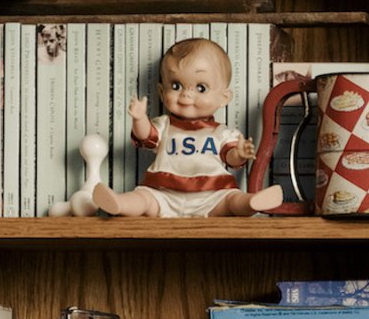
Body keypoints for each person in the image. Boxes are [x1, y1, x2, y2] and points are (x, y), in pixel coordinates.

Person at [94, 37, 282, 217]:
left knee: (232, 200)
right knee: (143, 198)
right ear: (161, 91)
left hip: (212, 193)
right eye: (176, 86)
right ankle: (119, 204)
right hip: (163, 191)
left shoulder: (222, 132)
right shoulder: (164, 125)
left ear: (224, 97)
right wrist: (139, 118)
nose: (186, 95)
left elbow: (231, 159)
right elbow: (145, 137)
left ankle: (251, 203)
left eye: (201, 88)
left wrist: (239, 154)